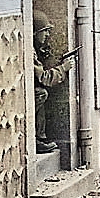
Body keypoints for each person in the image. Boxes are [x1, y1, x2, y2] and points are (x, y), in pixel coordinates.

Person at [33, 11, 74, 154]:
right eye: (44, 31)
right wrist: (63, 68)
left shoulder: (36, 48)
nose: (47, 35)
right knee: (40, 94)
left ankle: (41, 138)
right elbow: (44, 78)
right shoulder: (29, 50)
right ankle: (37, 139)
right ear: (34, 33)